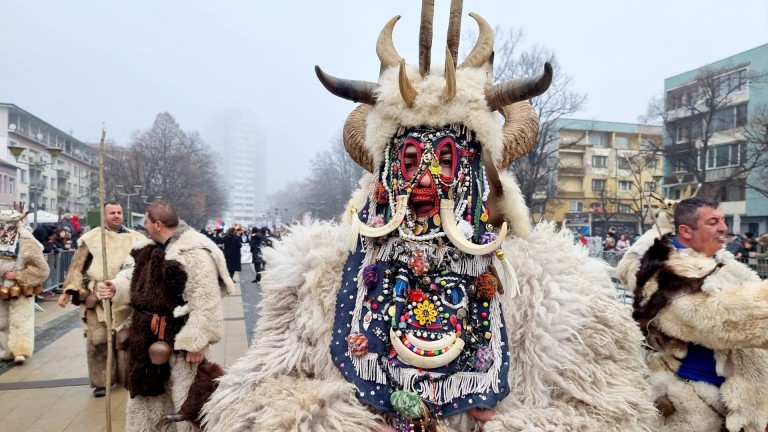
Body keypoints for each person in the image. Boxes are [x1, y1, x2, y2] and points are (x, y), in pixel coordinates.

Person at [202, 5, 656, 431]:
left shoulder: (555, 282)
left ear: (475, 173)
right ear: (385, 173)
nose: (426, 180)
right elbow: (253, 396)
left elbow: (612, 410)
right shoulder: (314, 273)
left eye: (445, 159)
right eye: (411, 159)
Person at [620, 197, 768, 431]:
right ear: (685, 230)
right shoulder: (660, 270)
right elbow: (717, 320)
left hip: (741, 405)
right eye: (713, 221)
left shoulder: (726, 265)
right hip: (690, 404)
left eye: (723, 220)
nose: (724, 228)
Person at [98, 201, 233, 432]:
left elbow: (205, 300)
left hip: (181, 340)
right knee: (145, 399)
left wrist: (196, 341)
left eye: (147, 222)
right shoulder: (148, 249)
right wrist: (115, 287)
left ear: (158, 224)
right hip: (144, 339)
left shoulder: (196, 252)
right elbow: (133, 277)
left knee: (188, 404)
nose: (144, 227)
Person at [58, 202, 146, 397]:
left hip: (126, 294)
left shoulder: (137, 238)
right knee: (98, 340)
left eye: (119, 212)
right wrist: (68, 290)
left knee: (126, 339)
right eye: (112, 213)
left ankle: (128, 377)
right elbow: (77, 267)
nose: (116, 216)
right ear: (103, 215)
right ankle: (101, 381)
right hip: (97, 295)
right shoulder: (91, 239)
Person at [0, 207, 50, 364]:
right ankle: (5, 350)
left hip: (21, 288)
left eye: (8, 224)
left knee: (21, 319)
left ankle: (20, 350)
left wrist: (19, 275)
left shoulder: (26, 241)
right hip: (1, 287)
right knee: (2, 321)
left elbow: (42, 269)